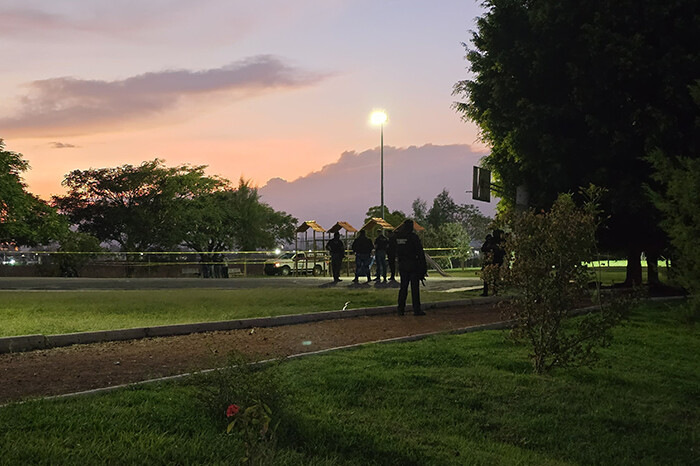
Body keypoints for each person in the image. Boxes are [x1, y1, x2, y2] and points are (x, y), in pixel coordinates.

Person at [391, 219, 427, 315]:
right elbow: (420, 252)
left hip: (402, 265)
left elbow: (394, 250)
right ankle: (416, 309)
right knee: (414, 289)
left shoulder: (398, 237)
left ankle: (400, 309)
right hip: (413, 266)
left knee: (403, 288)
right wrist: (423, 267)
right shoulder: (413, 237)